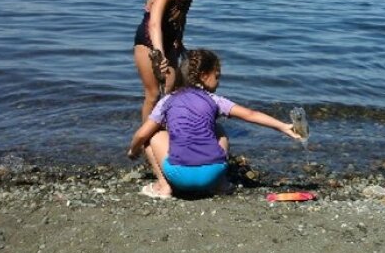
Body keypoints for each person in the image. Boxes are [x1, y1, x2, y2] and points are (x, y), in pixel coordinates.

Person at [127, 49, 301, 199]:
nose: (218, 82)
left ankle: (164, 187)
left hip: (179, 176)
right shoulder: (215, 100)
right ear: (203, 76)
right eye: (217, 77)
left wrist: (133, 150)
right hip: (213, 174)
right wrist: (283, 126)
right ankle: (222, 184)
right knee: (219, 130)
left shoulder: (168, 100)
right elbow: (250, 114)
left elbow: (141, 134)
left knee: (151, 136)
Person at [134, 0, 205, 121]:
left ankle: (165, 127)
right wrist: (159, 54)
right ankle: (146, 140)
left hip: (168, 43)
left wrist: (179, 41)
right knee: (153, 94)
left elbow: (180, 19)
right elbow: (154, 24)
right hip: (148, 43)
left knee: (171, 91)